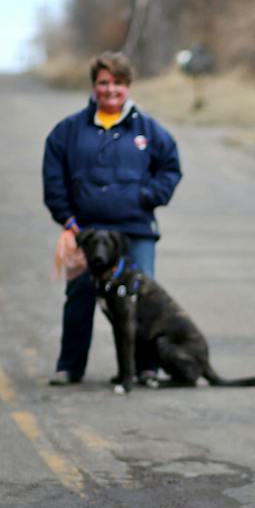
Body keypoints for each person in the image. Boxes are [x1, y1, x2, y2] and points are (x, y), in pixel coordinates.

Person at [42, 51, 182, 385]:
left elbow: (170, 169)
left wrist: (145, 196)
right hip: (87, 234)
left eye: (118, 83)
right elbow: (53, 178)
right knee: (79, 296)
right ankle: (70, 366)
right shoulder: (68, 131)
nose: (110, 90)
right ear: (94, 86)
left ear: (128, 86)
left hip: (136, 231)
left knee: (142, 299)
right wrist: (67, 217)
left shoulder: (148, 130)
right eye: (104, 83)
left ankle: (146, 367)